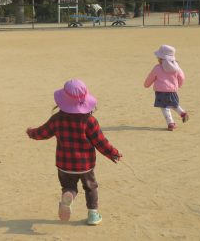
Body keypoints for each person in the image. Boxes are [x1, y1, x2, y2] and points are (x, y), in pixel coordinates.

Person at [26, 79, 122, 226]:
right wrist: (113, 153)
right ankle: (93, 215)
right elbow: (100, 142)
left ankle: (68, 195)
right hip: (85, 165)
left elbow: (43, 133)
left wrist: (31, 132)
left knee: (69, 187)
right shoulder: (89, 121)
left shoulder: (57, 118)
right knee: (90, 187)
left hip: (64, 164)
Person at [144, 45, 188, 131]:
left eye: (159, 58)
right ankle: (183, 113)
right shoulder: (176, 68)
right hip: (172, 90)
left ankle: (171, 123)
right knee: (174, 104)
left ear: (161, 59)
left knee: (164, 107)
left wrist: (146, 85)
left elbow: (150, 77)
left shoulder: (157, 68)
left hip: (160, 92)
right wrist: (178, 85)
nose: (158, 59)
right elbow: (182, 77)